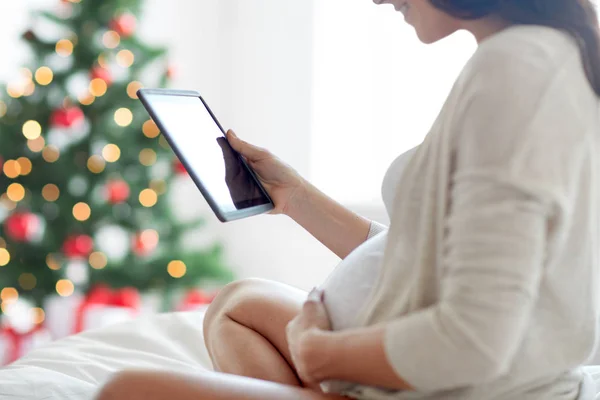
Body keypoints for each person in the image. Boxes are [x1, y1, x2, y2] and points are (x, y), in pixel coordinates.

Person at [96, 0, 600, 399]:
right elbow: (425, 256)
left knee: (124, 391)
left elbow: (475, 340)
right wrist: (296, 197)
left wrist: (322, 354)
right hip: (449, 373)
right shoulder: (542, 56)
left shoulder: (517, 72)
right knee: (237, 303)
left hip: (471, 386)